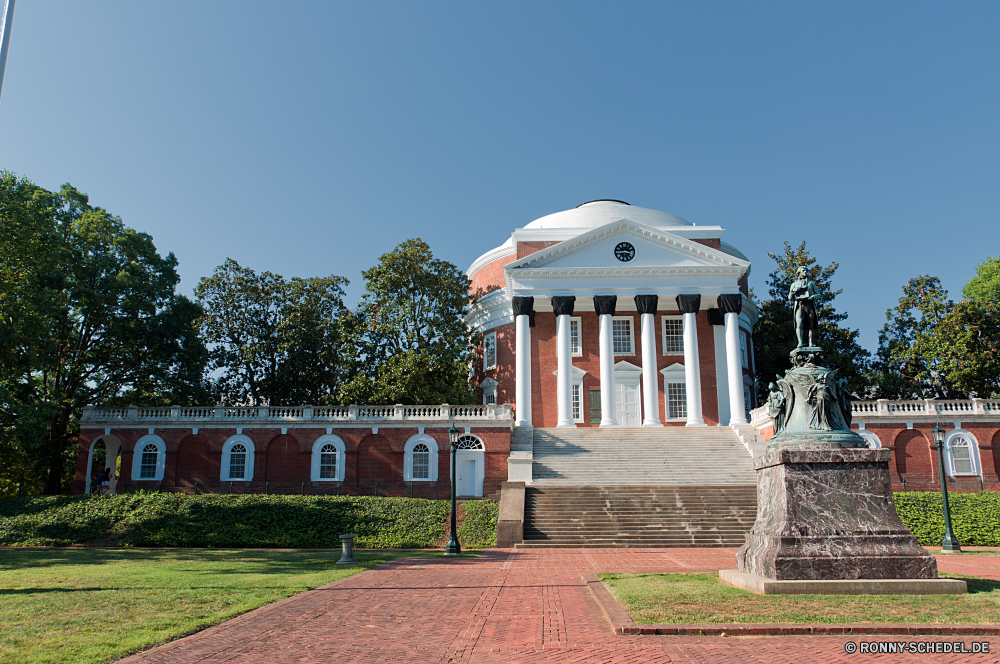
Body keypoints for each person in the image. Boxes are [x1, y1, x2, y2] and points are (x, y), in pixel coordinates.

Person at [788, 266, 819, 348]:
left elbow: (818, 294)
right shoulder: (794, 284)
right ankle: (800, 342)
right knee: (799, 323)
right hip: (800, 305)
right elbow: (790, 298)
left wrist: (813, 297)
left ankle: (811, 343)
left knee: (811, 324)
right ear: (799, 272)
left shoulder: (811, 283)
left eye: (806, 270)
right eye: (803, 270)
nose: (805, 272)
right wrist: (794, 291)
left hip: (809, 304)